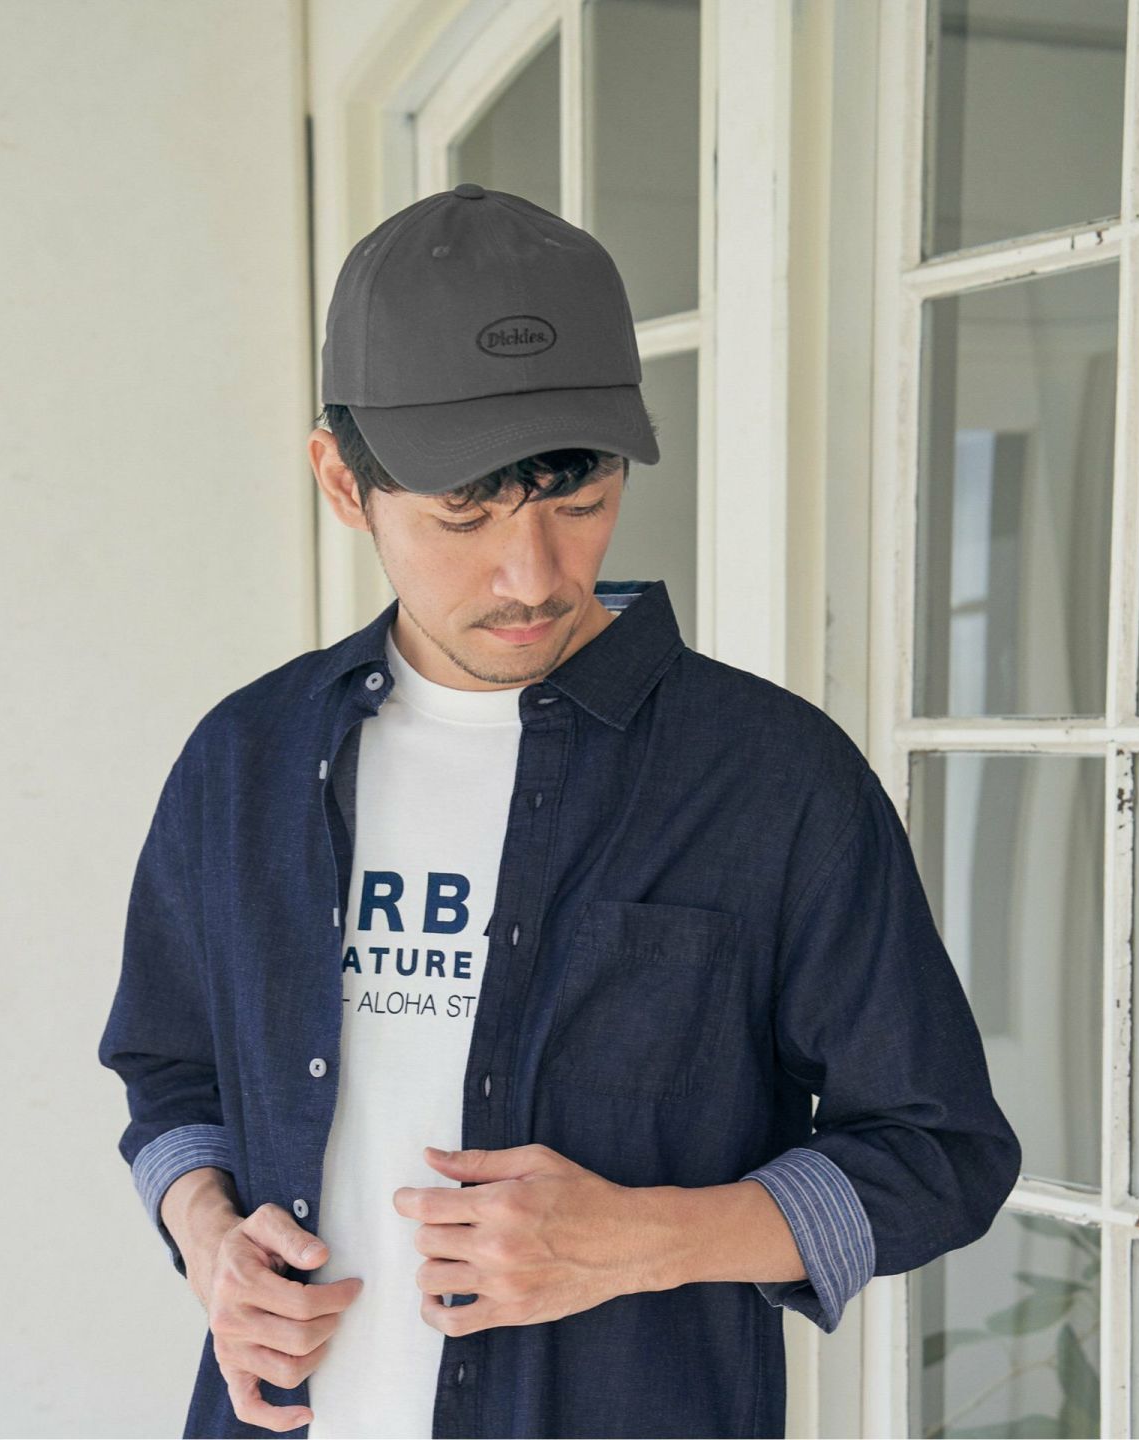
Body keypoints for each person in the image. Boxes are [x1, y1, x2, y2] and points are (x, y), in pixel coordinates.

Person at [98, 183, 1022, 1440]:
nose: (531, 575)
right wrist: (209, 1239)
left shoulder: (776, 779)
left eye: (577, 503)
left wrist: (645, 1237)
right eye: (463, 516)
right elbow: (169, 1072)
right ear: (341, 481)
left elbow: (941, 1153)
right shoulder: (243, 761)